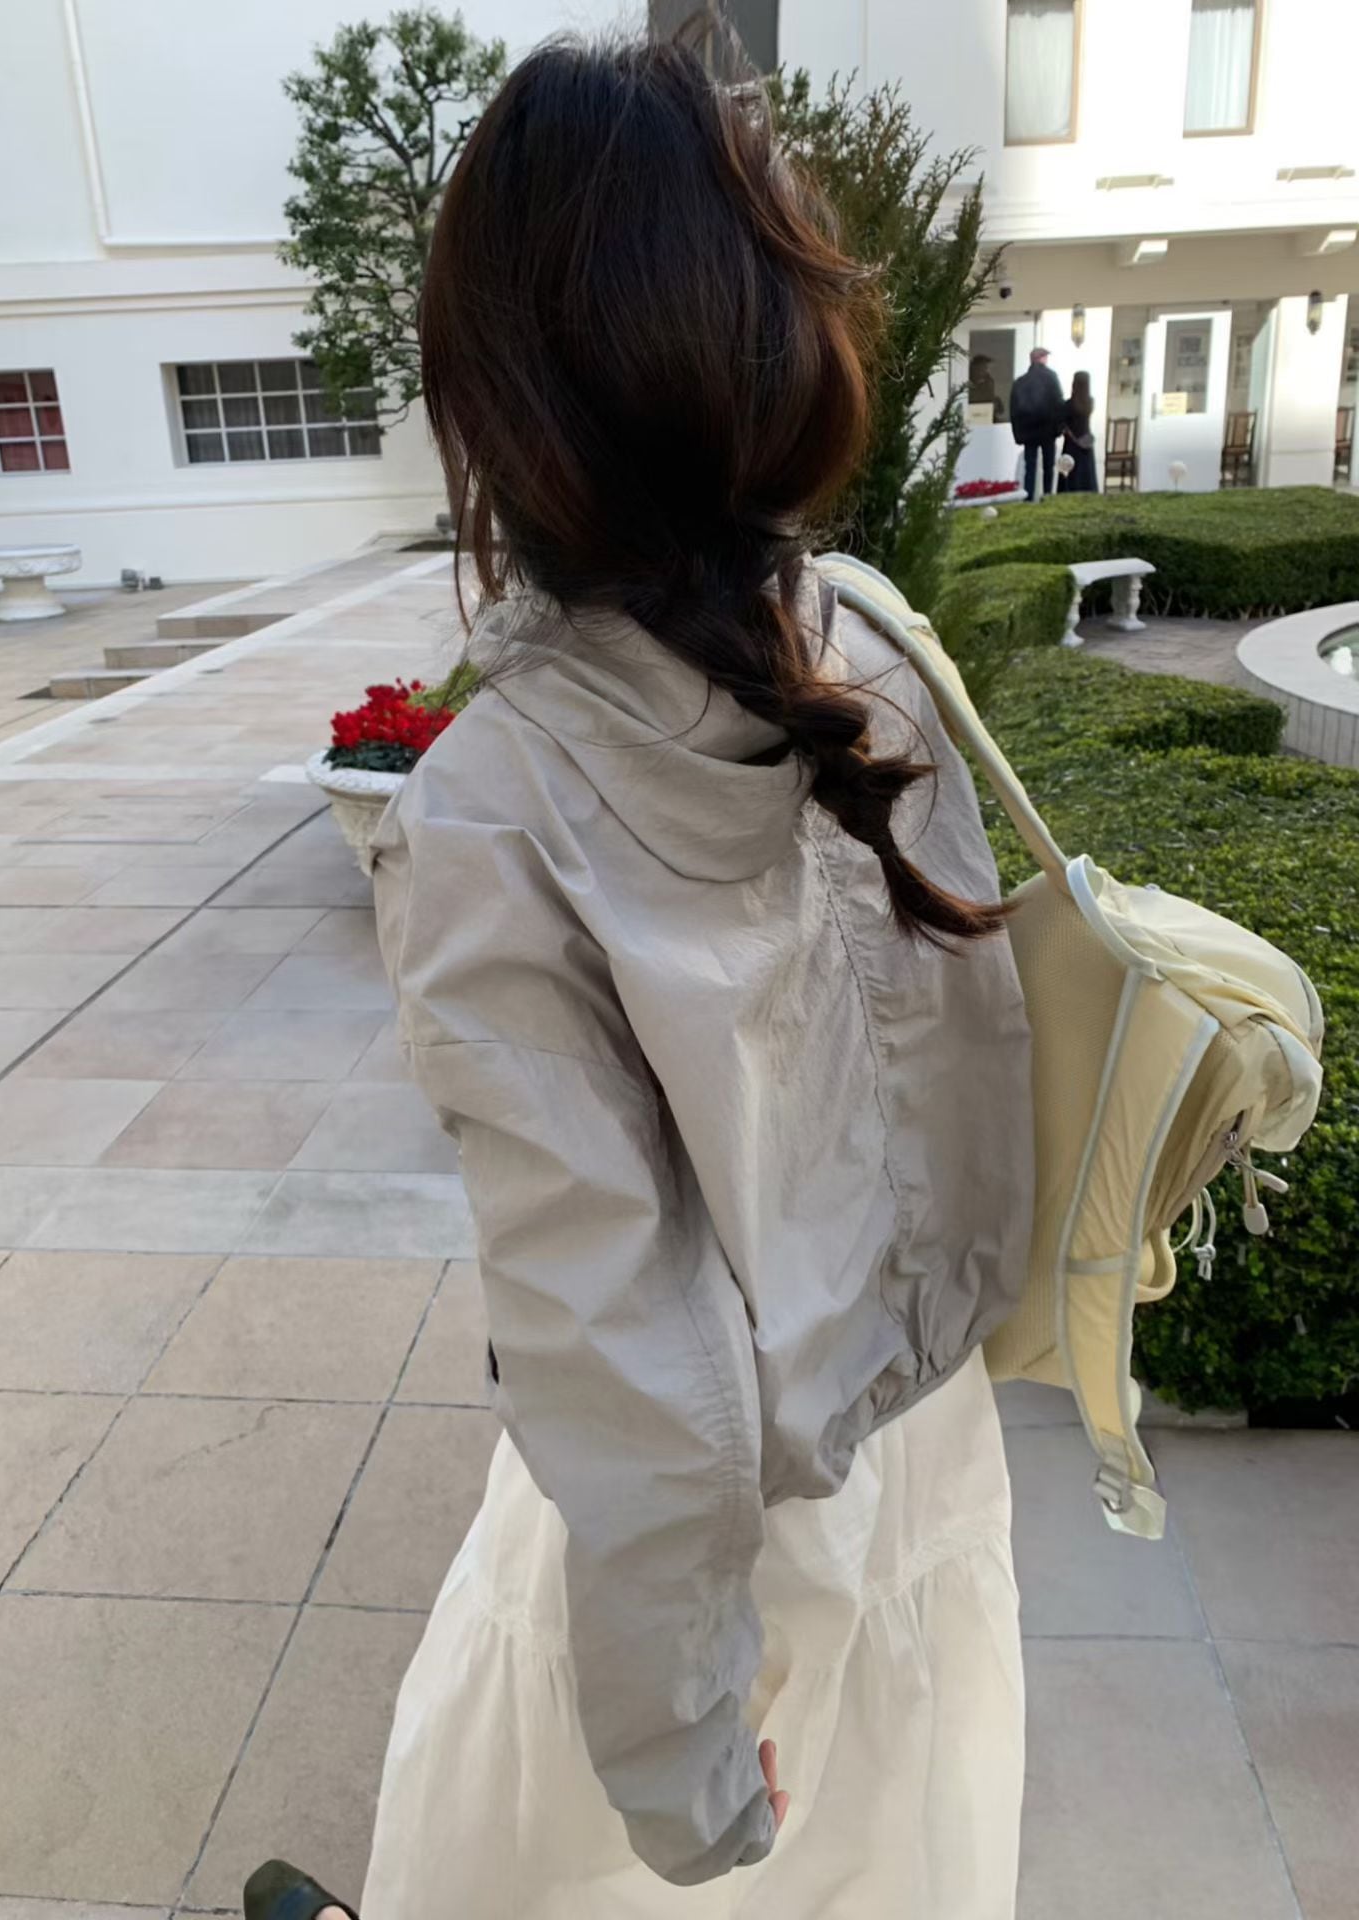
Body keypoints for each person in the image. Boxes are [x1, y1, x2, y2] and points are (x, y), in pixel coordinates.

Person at [245, 34, 1033, 1920]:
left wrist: (678, 1743)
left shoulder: (492, 801)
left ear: (500, 396)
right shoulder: (867, 657)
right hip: (921, 1459)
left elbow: (621, 1338)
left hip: (698, 1552)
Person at [1008, 344, 1066, 500]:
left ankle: (1028, 497)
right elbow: (1059, 403)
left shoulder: (1020, 382)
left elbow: (1014, 410)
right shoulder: (1051, 377)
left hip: (1029, 432)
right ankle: (1047, 497)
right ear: (1042, 359)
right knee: (1048, 467)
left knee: (1030, 467)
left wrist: (1018, 434)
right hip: (1048, 431)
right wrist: (1059, 428)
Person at [1057, 369, 1098, 492]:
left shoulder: (1068, 405)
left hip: (1071, 445)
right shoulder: (1090, 402)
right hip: (1086, 443)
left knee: (1069, 476)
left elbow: (1061, 424)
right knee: (1086, 474)